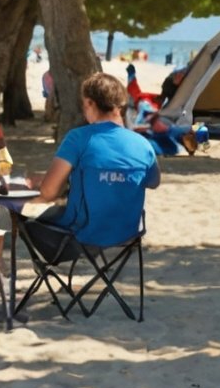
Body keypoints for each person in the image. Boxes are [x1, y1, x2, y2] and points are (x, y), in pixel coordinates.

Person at [24, 73, 161, 259]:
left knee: (23, 220)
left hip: (83, 235)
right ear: (119, 105)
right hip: (127, 234)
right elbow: (153, 182)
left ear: (89, 103)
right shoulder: (143, 144)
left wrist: (43, 183)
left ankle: (38, 269)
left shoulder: (78, 138)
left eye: (83, 105)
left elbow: (48, 192)